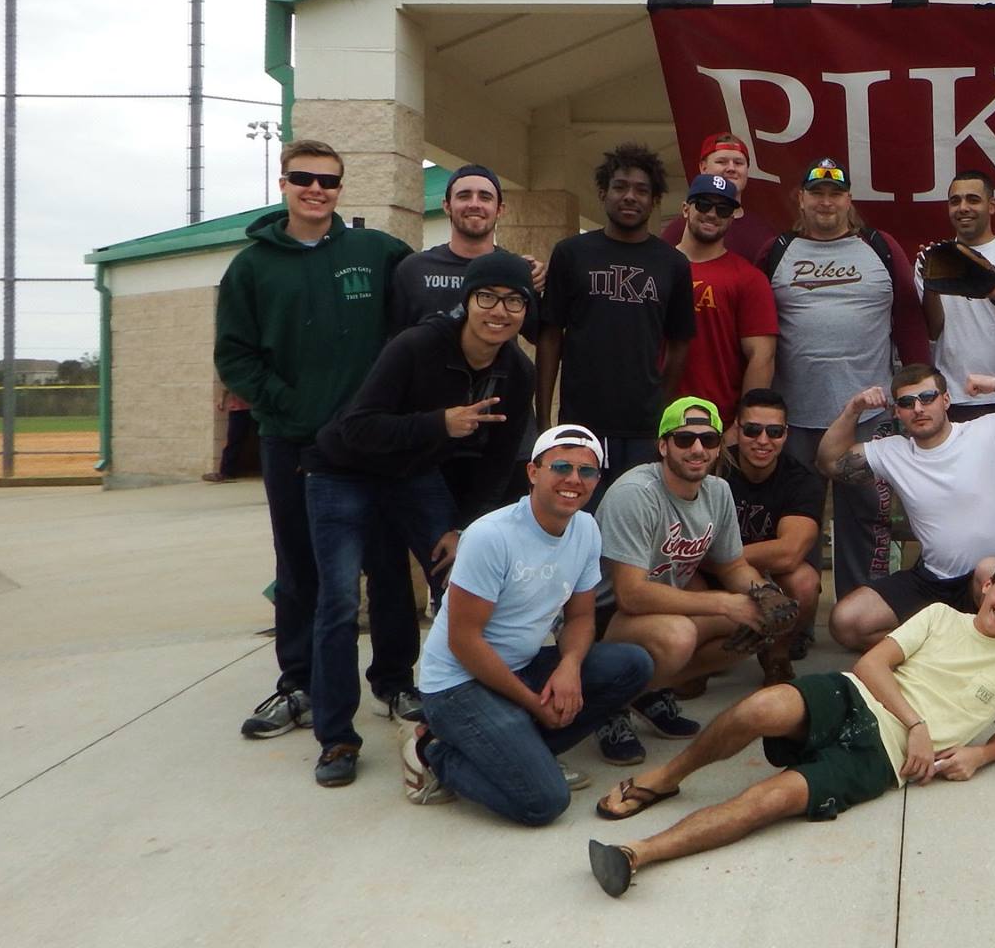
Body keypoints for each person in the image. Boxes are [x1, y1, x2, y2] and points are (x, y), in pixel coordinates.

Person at [584, 546, 995, 895]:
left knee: (768, 800)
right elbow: (872, 665)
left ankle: (636, 854)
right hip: (856, 695)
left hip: (882, 758)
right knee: (759, 707)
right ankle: (666, 778)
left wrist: (978, 754)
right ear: (989, 584)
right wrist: (917, 725)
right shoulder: (939, 616)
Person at [301, 253, 539, 786]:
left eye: (515, 300)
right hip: (342, 471)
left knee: (461, 582)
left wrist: (465, 527)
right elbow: (358, 427)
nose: (500, 311)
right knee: (339, 601)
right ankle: (337, 737)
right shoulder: (416, 346)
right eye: (488, 297)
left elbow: (500, 462)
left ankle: (469, 711)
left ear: (526, 310)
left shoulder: (517, 371)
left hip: (412, 475)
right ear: (468, 302)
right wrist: (439, 424)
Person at [214, 138, 412, 741]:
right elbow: (235, 356)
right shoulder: (251, 267)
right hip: (292, 444)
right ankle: (299, 682)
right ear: (283, 183)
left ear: (340, 188)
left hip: (370, 444)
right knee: (300, 566)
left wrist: (512, 270)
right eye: (304, 178)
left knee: (386, 563)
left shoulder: (375, 252)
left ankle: (395, 681)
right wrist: (290, 406)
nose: (316, 189)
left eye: (328, 181)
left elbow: (437, 282)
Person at [401, 424, 654, 824]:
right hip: (457, 685)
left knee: (633, 664)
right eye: (561, 467)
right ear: (533, 473)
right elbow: (464, 642)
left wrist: (569, 666)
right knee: (544, 801)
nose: (574, 480)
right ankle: (433, 751)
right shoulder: (491, 536)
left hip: (521, 665)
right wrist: (532, 702)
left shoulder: (585, 528)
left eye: (587, 472)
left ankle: (521, 748)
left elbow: (582, 615)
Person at [760, 157, 927, 600]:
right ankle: (794, 620)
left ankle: (862, 611)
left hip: (869, 418)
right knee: (797, 519)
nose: (826, 201)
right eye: (817, 192)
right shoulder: (776, 250)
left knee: (869, 515)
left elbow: (909, 320)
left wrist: (917, 394)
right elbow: (756, 332)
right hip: (794, 417)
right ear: (802, 198)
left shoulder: (881, 247)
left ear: (849, 198)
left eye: (836, 193)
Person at [817, 365, 995, 650]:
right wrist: (854, 409)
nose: (918, 408)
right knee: (846, 621)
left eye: (927, 397)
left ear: (946, 400)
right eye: (906, 403)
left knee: (988, 569)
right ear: (897, 413)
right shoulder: (892, 451)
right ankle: (951, 647)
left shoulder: (987, 430)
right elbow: (829, 462)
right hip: (933, 580)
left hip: (992, 576)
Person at [594, 397, 771, 766]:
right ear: (663, 445)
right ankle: (606, 705)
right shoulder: (635, 494)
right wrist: (725, 603)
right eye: (684, 439)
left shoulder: (717, 491)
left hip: (659, 605)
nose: (697, 449)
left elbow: (733, 565)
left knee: (759, 621)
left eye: (708, 440)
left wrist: (766, 596)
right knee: (679, 636)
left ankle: (646, 690)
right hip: (599, 618)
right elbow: (631, 594)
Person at [537, 143, 696, 498]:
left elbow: (680, 342)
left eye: (641, 190)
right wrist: (544, 418)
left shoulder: (672, 264)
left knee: (634, 520)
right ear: (602, 193)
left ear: (654, 200)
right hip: (580, 421)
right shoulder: (571, 253)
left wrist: (660, 408)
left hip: (642, 426)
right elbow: (550, 335)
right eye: (620, 187)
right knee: (578, 516)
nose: (630, 197)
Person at [915, 169, 995, 535]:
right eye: (955, 201)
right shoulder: (934, 257)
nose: (963, 208)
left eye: (972, 199)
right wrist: (932, 285)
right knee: (953, 506)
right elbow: (933, 330)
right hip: (951, 401)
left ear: (992, 205)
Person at [716, 388, 825, 683]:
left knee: (804, 582)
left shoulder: (801, 479)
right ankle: (709, 657)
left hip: (749, 565)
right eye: (752, 430)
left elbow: (789, 552)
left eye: (774, 432)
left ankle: (776, 654)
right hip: (710, 571)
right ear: (737, 430)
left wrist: (724, 556)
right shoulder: (714, 469)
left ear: (786, 434)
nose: (763, 441)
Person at [388, 164, 546, 334]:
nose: (474, 204)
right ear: (447, 206)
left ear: (500, 210)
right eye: (464, 196)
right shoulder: (413, 269)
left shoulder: (515, 271)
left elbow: (540, 334)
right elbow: (392, 339)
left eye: (485, 197)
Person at [673, 172, 777, 426]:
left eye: (722, 209)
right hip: (652, 416)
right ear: (686, 209)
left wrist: (741, 425)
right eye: (704, 204)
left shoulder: (749, 279)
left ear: (732, 218)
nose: (712, 214)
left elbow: (761, 356)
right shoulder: (654, 267)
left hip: (718, 422)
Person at [660, 132, 780, 266]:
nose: (731, 168)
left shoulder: (763, 232)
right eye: (721, 162)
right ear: (703, 167)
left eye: (738, 163)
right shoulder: (679, 229)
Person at [202, 384, 252, 483]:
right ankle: (227, 472)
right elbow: (228, 382)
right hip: (239, 407)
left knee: (268, 438)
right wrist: (222, 398)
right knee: (234, 439)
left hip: (256, 406)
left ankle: (227, 472)